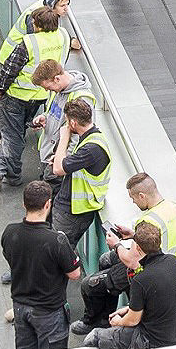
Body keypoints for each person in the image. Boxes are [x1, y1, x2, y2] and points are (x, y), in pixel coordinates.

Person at [2, 182, 83, 349]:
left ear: (23, 204)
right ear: (48, 204)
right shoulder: (56, 240)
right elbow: (75, 274)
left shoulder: (10, 232)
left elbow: (11, 257)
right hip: (49, 312)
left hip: (20, 307)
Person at [78, 172, 176, 328]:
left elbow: (131, 260)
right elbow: (160, 236)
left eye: (134, 198)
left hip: (149, 269)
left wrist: (116, 244)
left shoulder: (147, 220)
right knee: (105, 260)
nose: (133, 202)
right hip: (172, 265)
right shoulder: (174, 206)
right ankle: (110, 309)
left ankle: (97, 322)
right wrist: (133, 236)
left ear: (142, 196)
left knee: (90, 285)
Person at [81, 222, 176, 349]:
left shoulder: (141, 279)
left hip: (153, 341)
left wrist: (117, 322)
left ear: (138, 248)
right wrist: (128, 308)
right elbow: (159, 299)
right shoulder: (175, 262)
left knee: (96, 336)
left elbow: (132, 320)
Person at [45, 97, 113, 254]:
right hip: (73, 207)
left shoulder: (91, 148)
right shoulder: (92, 139)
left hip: (74, 211)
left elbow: (58, 170)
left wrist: (64, 137)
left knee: (57, 253)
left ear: (73, 123)